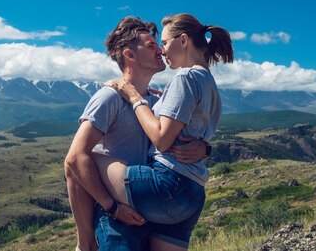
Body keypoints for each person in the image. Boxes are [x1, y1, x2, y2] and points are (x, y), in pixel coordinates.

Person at [64, 17, 209, 251]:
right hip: (115, 216)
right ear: (130, 55)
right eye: (151, 46)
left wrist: (205, 149)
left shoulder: (157, 100)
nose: (161, 50)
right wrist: (111, 209)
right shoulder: (109, 97)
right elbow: (75, 159)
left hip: (149, 207)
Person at [99, 13, 233, 251]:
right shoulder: (208, 82)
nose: (162, 51)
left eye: (165, 43)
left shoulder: (186, 76)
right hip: (193, 194)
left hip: (167, 185)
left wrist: (133, 96)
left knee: (88, 156)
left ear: (183, 40)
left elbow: (162, 140)